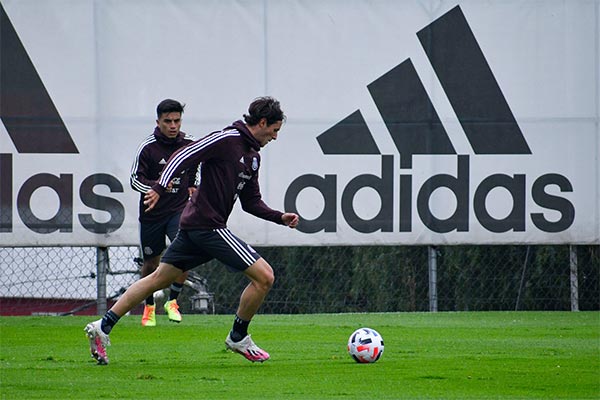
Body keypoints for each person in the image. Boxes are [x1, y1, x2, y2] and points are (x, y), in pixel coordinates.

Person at [85, 96, 299, 365]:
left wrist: (280, 217)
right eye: (275, 130)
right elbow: (183, 156)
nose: (275, 137)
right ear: (263, 122)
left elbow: (251, 203)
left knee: (156, 279)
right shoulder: (227, 138)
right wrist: (160, 187)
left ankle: (101, 327)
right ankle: (238, 336)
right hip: (206, 227)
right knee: (265, 276)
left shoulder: (252, 157)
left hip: (194, 229)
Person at [130, 99, 197, 326]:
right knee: (151, 263)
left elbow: (194, 168)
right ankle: (149, 305)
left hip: (179, 210)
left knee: (184, 253)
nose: (173, 125)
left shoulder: (188, 144)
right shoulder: (147, 148)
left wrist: (192, 185)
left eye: (177, 121)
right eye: (167, 121)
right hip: (152, 214)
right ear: (158, 122)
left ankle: (173, 301)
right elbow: (134, 179)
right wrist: (155, 188)